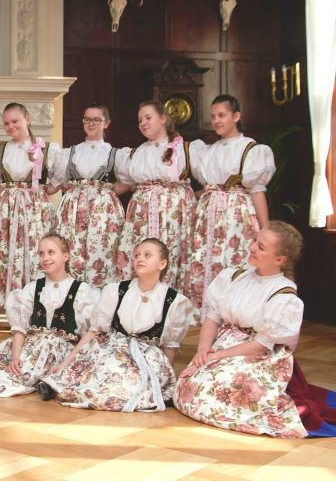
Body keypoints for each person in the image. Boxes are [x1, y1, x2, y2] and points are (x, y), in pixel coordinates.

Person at [174, 222, 312, 438]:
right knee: (189, 386)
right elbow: (213, 316)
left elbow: (262, 345)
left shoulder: (283, 294)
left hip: (257, 354)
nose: (252, 247)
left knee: (218, 388)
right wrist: (203, 349)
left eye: (261, 247)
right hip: (224, 344)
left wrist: (218, 355)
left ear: (280, 260)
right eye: (255, 241)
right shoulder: (236, 275)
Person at [39, 238, 192, 412]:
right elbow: (93, 331)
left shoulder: (175, 301)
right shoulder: (116, 291)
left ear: (162, 263)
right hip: (114, 349)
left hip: (147, 357)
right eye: (136, 255)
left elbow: (170, 345)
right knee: (106, 369)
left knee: (131, 380)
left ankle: (129, 393)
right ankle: (58, 387)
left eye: (147, 255)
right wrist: (67, 362)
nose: (139, 259)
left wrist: (166, 381)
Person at [0, 234, 100, 397]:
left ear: (65, 256)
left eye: (51, 252)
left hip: (61, 350)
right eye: (41, 253)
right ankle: (44, 382)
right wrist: (15, 357)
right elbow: (19, 328)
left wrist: (69, 361)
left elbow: (88, 334)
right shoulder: (33, 288)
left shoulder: (81, 291)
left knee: (24, 376)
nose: (45, 258)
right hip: (32, 345)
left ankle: (49, 382)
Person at [183, 94, 275, 316]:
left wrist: (265, 229)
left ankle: (234, 313)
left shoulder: (250, 149)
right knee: (206, 260)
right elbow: (207, 188)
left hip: (236, 215)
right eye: (213, 116)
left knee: (233, 260)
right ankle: (207, 313)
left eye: (222, 115)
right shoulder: (208, 150)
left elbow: (257, 191)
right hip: (209, 214)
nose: (216, 121)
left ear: (236, 116)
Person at [0, 102, 61, 308]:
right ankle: (14, 307)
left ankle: (39, 305)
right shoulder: (0, 151)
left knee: (37, 250)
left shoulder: (46, 148)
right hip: (8, 210)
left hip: (36, 208)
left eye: (15, 121)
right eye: (6, 123)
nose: (10, 126)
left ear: (27, 119)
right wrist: (8, 193)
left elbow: (60, 177)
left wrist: (45, 191)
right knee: (8, 252)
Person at [116, 100, 205, 287]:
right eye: (140, 120)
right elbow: (124, 183)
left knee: (173, 256)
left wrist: (188, 198)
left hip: (175, 216)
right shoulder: (136, 153)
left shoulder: (184, 149)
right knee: (143, 256)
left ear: (163, 118)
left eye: (148, 118)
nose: (143, 123)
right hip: (143, 216)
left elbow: (210, 181)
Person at [53, 103, 130, 285]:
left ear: (106, 123)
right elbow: (61, 181)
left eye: (96, 119)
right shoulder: (70, 152)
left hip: (103, 211)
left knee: (103, 250)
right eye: (87, 119)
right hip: (73, 211)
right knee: (71, 250)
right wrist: (77, 194)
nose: (91, 123)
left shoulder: (114, 153)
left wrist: (105, 193)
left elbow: (126, 181)